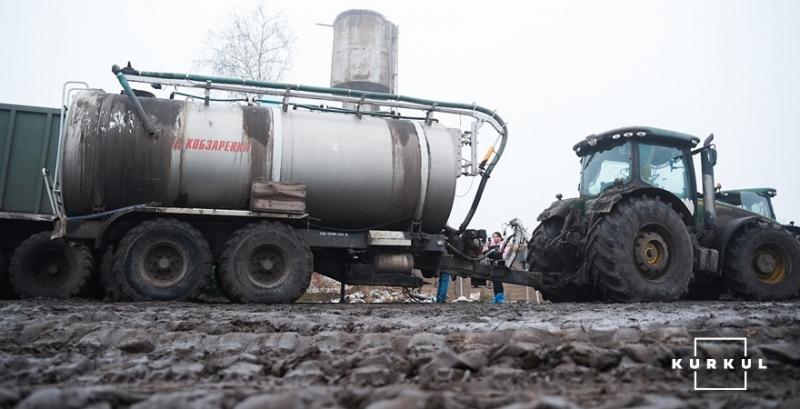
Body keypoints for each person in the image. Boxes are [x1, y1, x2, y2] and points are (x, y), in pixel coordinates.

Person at [485, 231, 509, 304]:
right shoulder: (491, 245)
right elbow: (485, 252)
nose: (495, 238)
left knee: (498, 281)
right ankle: (496, 297)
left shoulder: (504, 244)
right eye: (494, 237)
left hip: (500, 264)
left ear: (500, 237)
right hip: (493, 264)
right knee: (495, 282)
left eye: (496, 236)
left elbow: (504, 254)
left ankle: (500, 298)